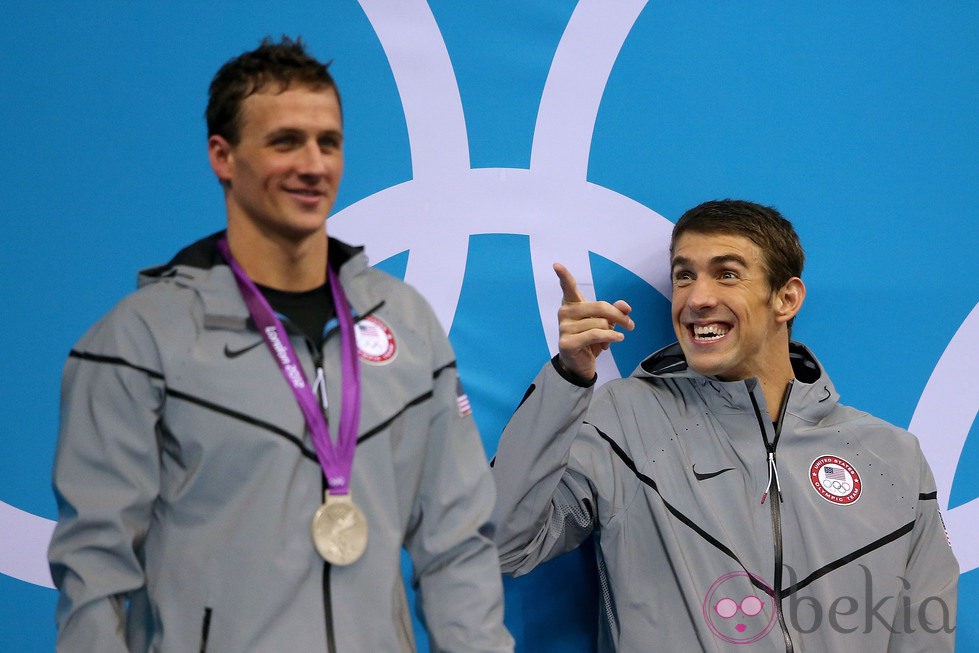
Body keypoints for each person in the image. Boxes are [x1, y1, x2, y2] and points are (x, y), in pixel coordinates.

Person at [48, 36, 513, 653]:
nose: (314, 165)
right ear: (223, 155)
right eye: (285, 141)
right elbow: (95, 576)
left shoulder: (407, 323)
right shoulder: (139, 340)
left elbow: (457, 547)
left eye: (329, 142)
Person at [491, 199, 958, 651]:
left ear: (786, 298)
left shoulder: (892, 458)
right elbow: (501, 544)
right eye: (684, 277)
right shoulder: (622, 422)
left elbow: (924, 635)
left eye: (727, 274)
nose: (697, 298)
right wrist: (568, 378)